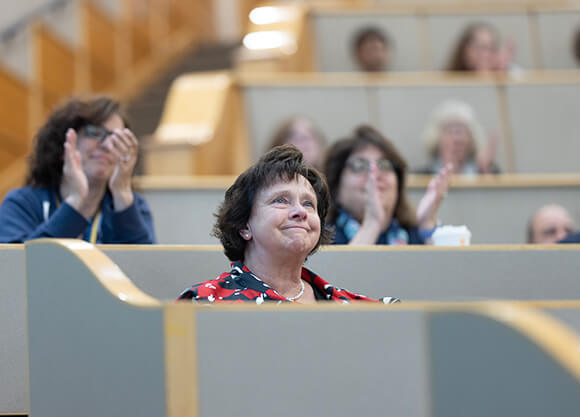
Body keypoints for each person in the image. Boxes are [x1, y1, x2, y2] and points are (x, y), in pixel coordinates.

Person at [178, 145, 399, 304]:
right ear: (245, 226)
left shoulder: (348, 307)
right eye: (280, 200)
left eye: (308, 204)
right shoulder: (204, 303)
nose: (300, 212)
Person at [0, 96, 155, 244]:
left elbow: (146, 269)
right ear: (62, 144)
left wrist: (122, 195)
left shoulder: (132, 206)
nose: (107, 146)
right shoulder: (22, 203)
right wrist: (75, 201)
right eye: (94, 133)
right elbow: (19, 265)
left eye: (117, 138)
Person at [324, 125, 450, 245]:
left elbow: (445, 267)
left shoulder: (413, 233)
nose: (375, 174)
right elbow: (342, 268)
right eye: (360, 166)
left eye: (384, 165)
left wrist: (427, 225)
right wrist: (372, 223)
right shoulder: (321, 237)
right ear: (335, 186)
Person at [420, 99, 499, 175]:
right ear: (436, 139)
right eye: (450, 131)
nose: (457, 139)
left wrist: (485, 175)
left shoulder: (488, 173)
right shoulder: (419, 177)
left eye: (462, 132)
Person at [447, 22, 516, 73]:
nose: (486, 54)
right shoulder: (447, 79)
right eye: (480, 48)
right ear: (465, 51)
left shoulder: (509, 72)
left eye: (492, 48)